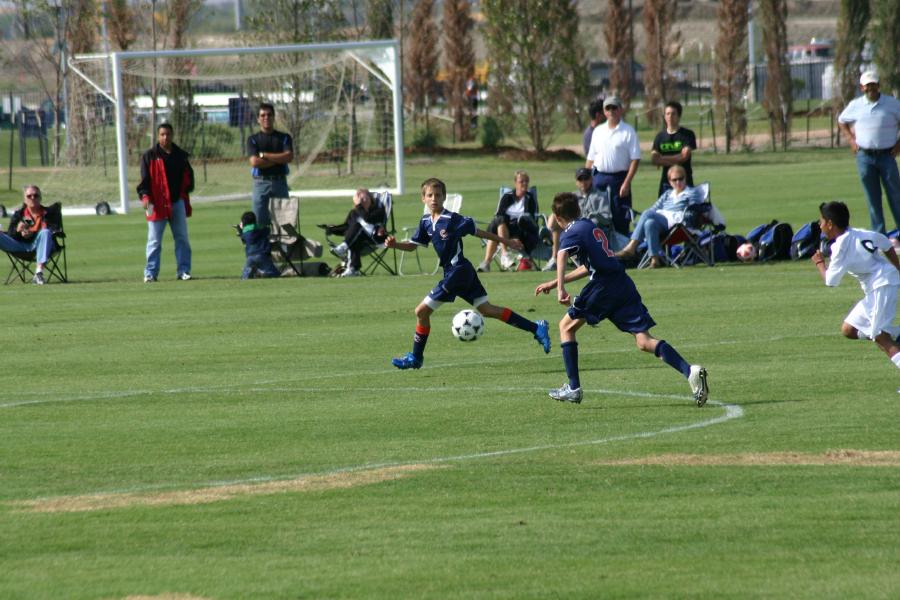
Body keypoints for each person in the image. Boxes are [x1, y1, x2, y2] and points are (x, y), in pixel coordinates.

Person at [535, 192, 709, 405]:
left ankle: (573, 388)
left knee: (565, 327)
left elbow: (561, 255)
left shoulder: (570, 231)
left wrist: (561, 289)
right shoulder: (590, 226)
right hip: (622, 283)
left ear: (558, 217)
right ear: (578, 210)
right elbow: (587, 266)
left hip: (603, 286)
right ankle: (689, 370)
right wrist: (555, 283)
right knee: (644, 341)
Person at [386, 177, 552, 370]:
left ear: (444, 197)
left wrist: (506, 242)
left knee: (421, 311)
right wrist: (395, 244)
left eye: (438, 195)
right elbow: (413, 246)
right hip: (459, 272)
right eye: (430, 195)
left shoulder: (453, 220)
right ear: (423, 198)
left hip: (458, 272)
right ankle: (536, 327)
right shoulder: (425, 222)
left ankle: (415, 357)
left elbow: (479, 232)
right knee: (488, 310)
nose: (434, 199)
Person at [811, 201, 900, 373]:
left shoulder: (840, 247)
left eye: (821, 221)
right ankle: (895, 334)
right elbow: (886, 244)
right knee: (849, 329)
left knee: (881, 337)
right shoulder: (860, 233)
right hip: (879, 286)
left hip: (881, 286)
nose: (820, 226)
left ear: (830, 224)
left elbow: (831, 281)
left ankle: (891, 336)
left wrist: (820, 263)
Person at [837, 71, 900, 234]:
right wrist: (851, 140)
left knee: (896, 195)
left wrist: (899, 144)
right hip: (864, 156)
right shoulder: (855, 105)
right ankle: (879, 234)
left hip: (887, 155)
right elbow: (842, 121)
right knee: (873, 198)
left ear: (879, 86)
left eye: (873, 84)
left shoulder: (892, 103)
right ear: (862, 87)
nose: (871, 88)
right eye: (867, 85)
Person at [615, 165, 705, 269]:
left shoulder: (691, 192)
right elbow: (654, 208)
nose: (678, 182)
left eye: (681, 179)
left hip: (679, 224)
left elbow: (694, 210)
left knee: (647, 213)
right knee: (649, 223)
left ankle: (631, 247)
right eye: (674, 180)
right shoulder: (667, 194)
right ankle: (655, 260)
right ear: (670, 181)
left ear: (685, 178)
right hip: (664, 223)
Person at [137, 122, 194, 282]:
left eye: (168, 134)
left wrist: (184, 193)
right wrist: (145, 197)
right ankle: (150, 273)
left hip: (176, 203)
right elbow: (144, 181)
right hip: (157, 204)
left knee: (182, 238)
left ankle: (183, 271)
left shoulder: (181, 155)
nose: (165, 137)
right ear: (158, 136)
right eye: (162, 134)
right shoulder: (149, 156)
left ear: (172, 135)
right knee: (154, 241)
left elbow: (189, 178)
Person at [542, 167, 620, 272]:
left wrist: (594, 215)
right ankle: (554, 258)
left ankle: (556, 249)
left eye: (586, 178)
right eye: (580, 179)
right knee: (556, 219)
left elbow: (607, 219)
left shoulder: (600, 196)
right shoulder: (573, 197)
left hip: (594, 231)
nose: (583, 182)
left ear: (591, 179)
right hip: (575, 228)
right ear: (576, 182)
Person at [585, 95, 641, 236]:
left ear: (620, 110)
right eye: (608, 108)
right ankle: (600, 252)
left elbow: (635, 159)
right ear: (604, 112)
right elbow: (591, 159)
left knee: (620, 217)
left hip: (620, 179)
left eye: (614, 107)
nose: (611, 111)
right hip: (599, 178)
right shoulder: (598, 131)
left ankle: (622, 254)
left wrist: (627, 183)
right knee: (596, 217)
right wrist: (586, 181)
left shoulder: (628, 131)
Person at [477, 170, 540, 272]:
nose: (524, 183)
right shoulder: (507, 197)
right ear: (515, 183)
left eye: (526, 181)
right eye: (521, 181)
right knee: (499, 221)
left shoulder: (530, 198)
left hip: (521, 230)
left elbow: (532, 219)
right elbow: (498, 215)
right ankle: (505, 254)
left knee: (495, 232)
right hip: (503, 228)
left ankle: (487, 262)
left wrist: (515, 236)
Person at [247, 102, 294, 227]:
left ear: (274, 117)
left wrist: (265, 156)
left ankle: (282, 247)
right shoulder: (253, 139)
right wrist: (279, 159)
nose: (266, 117)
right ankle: (263, 247)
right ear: (258, 119)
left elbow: (288, 157)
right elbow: (255, 162)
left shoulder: (284, 138)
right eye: (262, 115)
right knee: (259, 224)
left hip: (280, 183)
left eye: (269, 115)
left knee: (284, 225)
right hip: (260, 184)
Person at [0, 185, 58, 285]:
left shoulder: (48, 213)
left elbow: (54, 229)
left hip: (41, 244)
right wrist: (18, 231)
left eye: (35, 195)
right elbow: (10, 234)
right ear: (25, 199)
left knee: (45, 232)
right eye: (29, 196)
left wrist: (32, 233)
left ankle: (39, 273)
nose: (32, 198)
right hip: (19, 246)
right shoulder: (19, 214)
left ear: (40, 198)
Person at [322, 188, 387, 278]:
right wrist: (332, 229)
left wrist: (358, 206)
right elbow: (347, 228)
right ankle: (353, 269)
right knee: (354, 237)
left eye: (364, 198)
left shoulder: (379, 210)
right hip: (359, 239)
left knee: (357, 227)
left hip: (375, 238)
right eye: (360, 199)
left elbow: (367, 218)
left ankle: (343, 247)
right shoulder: (354, 213)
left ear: (371, 199)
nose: (362, 201)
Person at [651, 100, 697, 197]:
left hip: (684, 181)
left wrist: (662, 159)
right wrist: (677, 159)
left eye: (673, 114)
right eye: (667, 114)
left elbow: (684, 157)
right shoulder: (659, 137)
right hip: (666, 183)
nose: (670, 117)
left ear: (679, 116)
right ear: (664, 116)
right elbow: (654, 159)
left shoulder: (687, 135)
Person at [236, 210, 280, 280]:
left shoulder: (245, 233)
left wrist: (240, 229)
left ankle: (249, 272)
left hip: (250, 256)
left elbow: (243, 239)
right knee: (275, 274)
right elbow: (267, 230)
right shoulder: (261, 229)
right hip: (262, 255)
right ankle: (263, 273)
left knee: (244, 277)